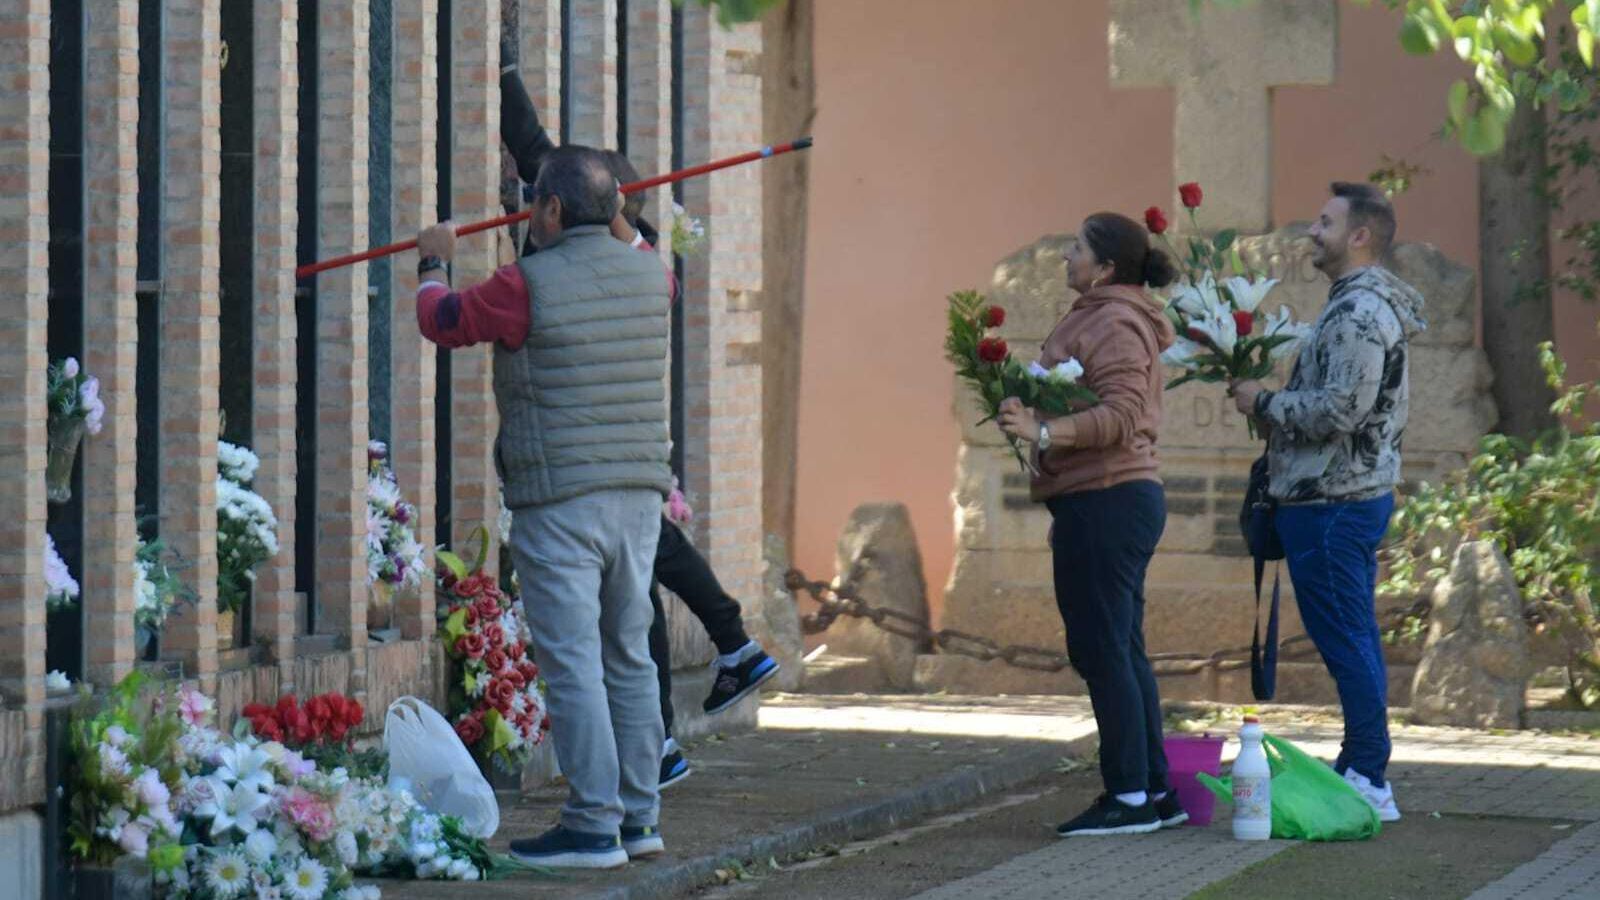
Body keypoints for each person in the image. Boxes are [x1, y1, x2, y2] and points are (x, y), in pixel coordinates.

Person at [500, 64, 781, 789]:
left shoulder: (615, 254)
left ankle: (656, 737)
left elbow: (533, 151)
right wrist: (499, 68)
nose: (534, 203)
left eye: (542, 195)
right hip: (615, 447)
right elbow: (534, 148)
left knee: (632, 597)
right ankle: (682, 707)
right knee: (640, 594)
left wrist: (501, 69)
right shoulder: (643, 257)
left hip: (585, 448)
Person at [414, 145, 671, 868]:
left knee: (574, 664)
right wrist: (616, 214)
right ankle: (638, 819)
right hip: (639, 499)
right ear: (617, 209)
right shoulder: (655, 276)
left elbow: (444, 322)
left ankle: (593, 825)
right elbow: (637, 242)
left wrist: (433, 261)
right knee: (630, 656)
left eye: (537, 204)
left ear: (552, 210)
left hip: (561, 500)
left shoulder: (525, 283)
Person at [1229, 182, 1423, 824]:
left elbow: (1342, 409)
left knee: (1345, 637)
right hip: (1330, 496)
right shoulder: (1350, 307)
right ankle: (1363, 766)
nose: (1312, 231)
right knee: (1352, 633)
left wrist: (1265, 403)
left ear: (1360, 235)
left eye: (1325, 222)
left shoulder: (1360, 313)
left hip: (1334, 500)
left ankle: (1368, 773)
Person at [996, 211, 1185, 837]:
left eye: (1076, 248)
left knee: (1104, 649)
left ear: (1105, 267)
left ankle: (1128, 796)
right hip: (1100, 500)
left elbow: (1125, 413)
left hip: (1111, 498)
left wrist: (1046, 430)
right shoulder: (1104, 314)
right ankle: (1155, 792)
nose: (1065, 256)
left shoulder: (1114, 320)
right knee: (1120, 648)